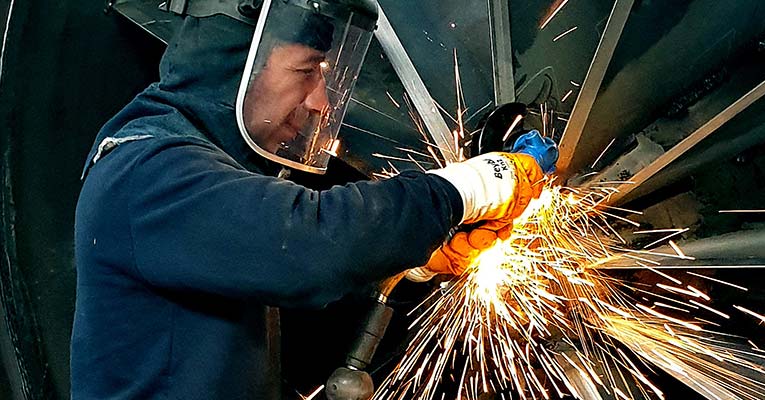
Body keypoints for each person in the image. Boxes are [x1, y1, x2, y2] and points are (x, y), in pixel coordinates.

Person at [71, 0, 556, 399]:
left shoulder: (205, 177)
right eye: (306, 71)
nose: (321, 101)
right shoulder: (145, 170)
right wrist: (464, 189)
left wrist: (413, 264)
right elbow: (309, 244)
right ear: (237, 65)